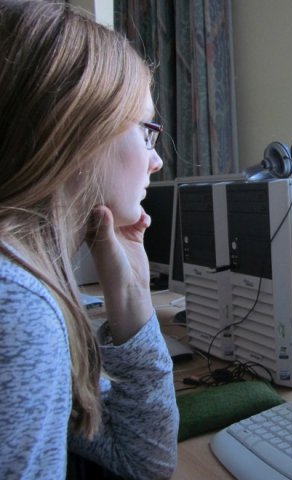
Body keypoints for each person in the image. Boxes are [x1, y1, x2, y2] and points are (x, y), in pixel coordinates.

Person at [0, 1, 179, 478]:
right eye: (146, 130)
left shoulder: (32, 284)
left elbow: (140, 463)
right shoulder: (18, 309)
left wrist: (132, 297)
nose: (156, 160)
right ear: (80, 132)